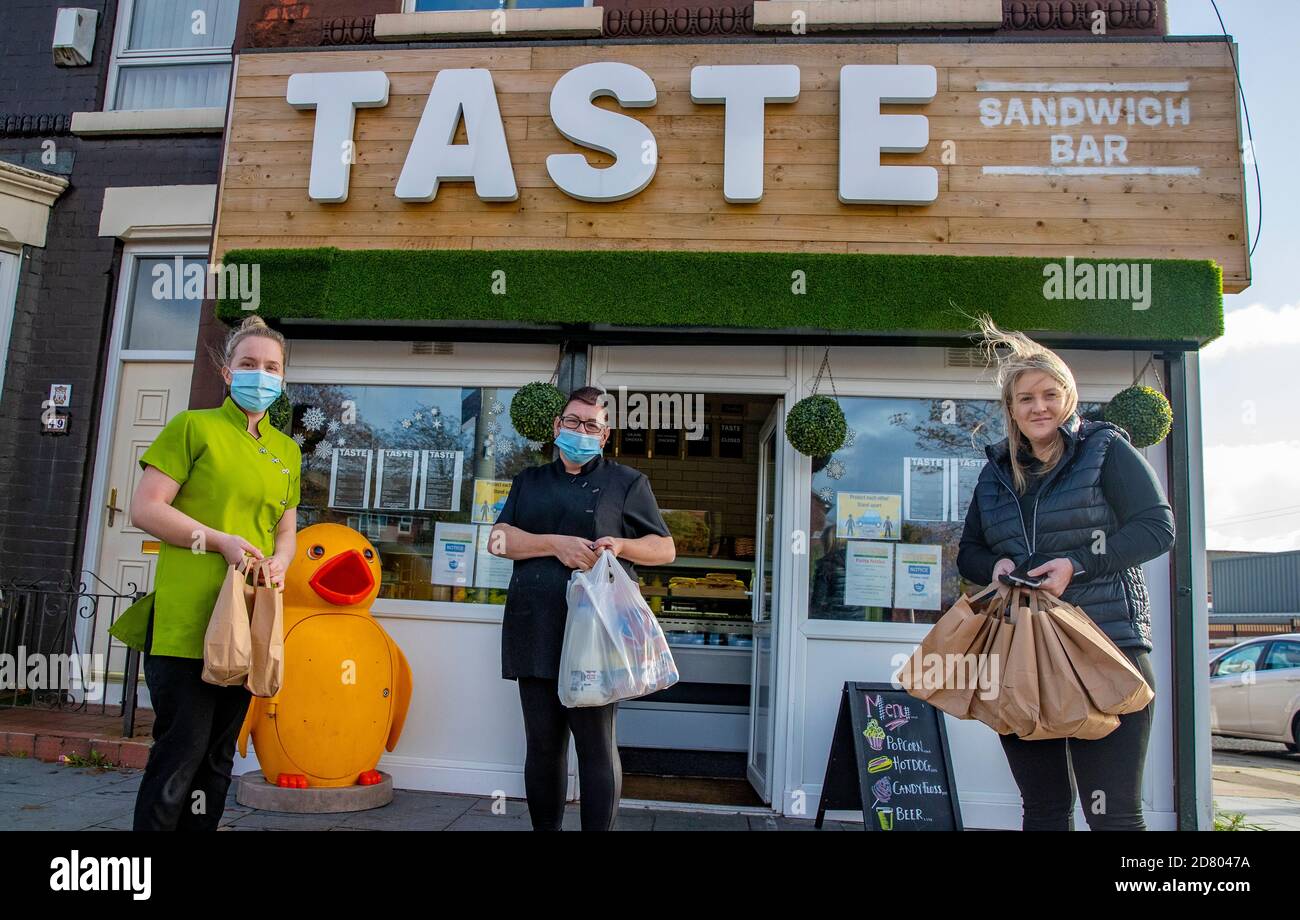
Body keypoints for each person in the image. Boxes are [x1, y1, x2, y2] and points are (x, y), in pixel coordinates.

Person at [956, 316, 1175, 831]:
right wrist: (997, 566)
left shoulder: (1105, 449)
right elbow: (969, 551)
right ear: (1011, 408)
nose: (1039, 407)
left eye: (1050, 394)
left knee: (1114, 815)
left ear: (1069, 397)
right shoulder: (994, 474)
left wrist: (1077, 565)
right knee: (1045, 810)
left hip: (1107, 649)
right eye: (1026, 398)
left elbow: (1157, 528)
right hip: (1022, 656)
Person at [110, 316, 302, 831]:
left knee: (218, 761)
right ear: (226, 371)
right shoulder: (192, 428)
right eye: (248, 364)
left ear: (283, 379)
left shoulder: (287, 451)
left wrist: (282, 559)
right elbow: (147, 508)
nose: (259, 375)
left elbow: (286, 529)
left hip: (245, 622)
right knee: (181, 755)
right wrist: (217, 541)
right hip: (186, 624)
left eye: (271, 367)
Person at [488, 386, 675, 830]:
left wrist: (624, 544)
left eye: (591, 425)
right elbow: (498, 541)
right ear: (557, 427)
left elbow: (665, 548)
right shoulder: (528, 482)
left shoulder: (627, 483)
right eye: (573, 422)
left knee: (595, 746)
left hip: (596, 637)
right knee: (542, 745)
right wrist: (556, 545)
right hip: (534, 629)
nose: (580, 431)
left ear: (604, 434)